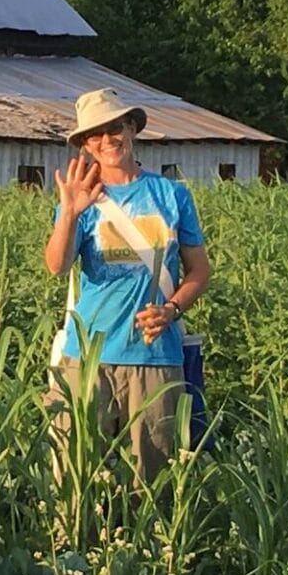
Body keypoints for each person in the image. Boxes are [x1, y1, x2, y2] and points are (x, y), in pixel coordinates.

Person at [44, 88, 211, 485]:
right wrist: (69, 213)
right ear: (86, 144)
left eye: (115, 127)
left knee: (151, 487)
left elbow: (199, 271)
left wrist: (170, 311)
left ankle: (148, 550)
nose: (107, 140)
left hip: (155, 357)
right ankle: (75, 548)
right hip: (87, 359)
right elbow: (56, 266)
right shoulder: (83, 199)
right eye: (95, 134)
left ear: (132, 127)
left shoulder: (171, 195)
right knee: (75, 479)